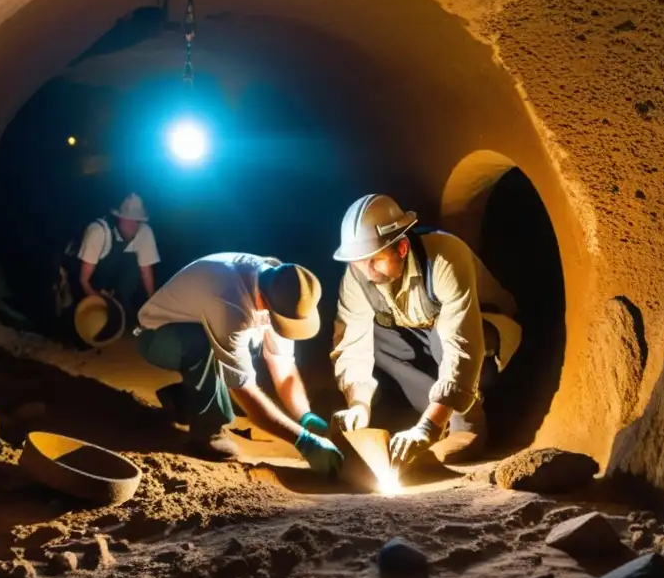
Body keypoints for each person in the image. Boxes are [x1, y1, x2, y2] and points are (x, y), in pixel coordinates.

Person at [329, 194, 522, 468]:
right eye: (359, 262)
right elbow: (351, 341)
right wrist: (358, 404)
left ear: (403, 248)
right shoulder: (358, 275)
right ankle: (436, 416)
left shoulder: (445, 256)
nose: (368, 271)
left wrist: (427, 428)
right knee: (376, 337)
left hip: (485, 335)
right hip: (422, 333)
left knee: (442, 335)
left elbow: (462, 344)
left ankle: (465, 426)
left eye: (376, 260)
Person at [134, 253, 343, 476]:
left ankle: (182, 399)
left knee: (241, 349)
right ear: (264, 301)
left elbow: (283, 368)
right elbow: (243, 387)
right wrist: (303, 440)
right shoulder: (230, 302)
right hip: (156, 336)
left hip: (201, 324)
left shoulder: (282, 289)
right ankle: (207, 433)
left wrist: (305, 417)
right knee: (212, 348)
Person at [63, 193, 160, 320]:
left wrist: (152, 301)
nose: (134, 226)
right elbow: (84, 280)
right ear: (120, 218)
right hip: (81, 270)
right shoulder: (98, 231)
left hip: (113, 275)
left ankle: (122, 308)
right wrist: (99, 303)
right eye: (129, 219)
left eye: (137, 221)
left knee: (132, 267)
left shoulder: (144, 232)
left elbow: (146, 271)